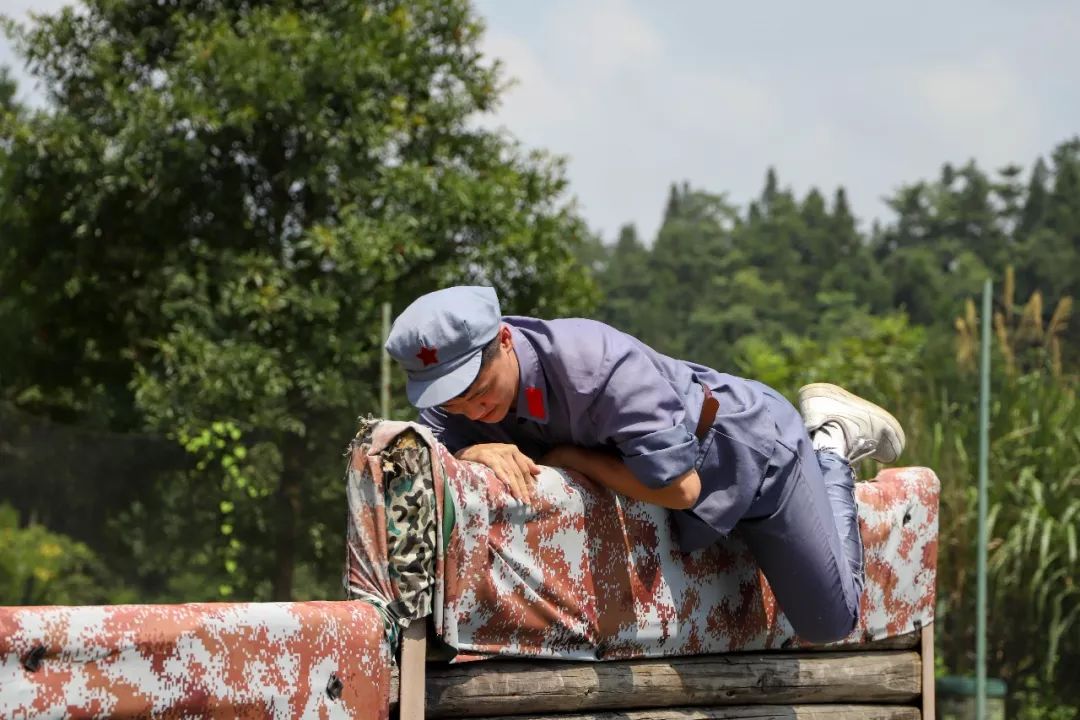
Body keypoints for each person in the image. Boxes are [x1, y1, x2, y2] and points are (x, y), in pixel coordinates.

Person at [384, 285, 905, 643]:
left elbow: (682, 488)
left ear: (502, 340)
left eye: (478, 391)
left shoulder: (598, 363)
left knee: (829, 622)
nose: (473, 410)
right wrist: (470, 448)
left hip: (751, 457)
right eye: (455, 402)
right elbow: (422, 444)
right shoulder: (453, 399)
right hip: (671, 496)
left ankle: (830, 439)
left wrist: (568, 460)